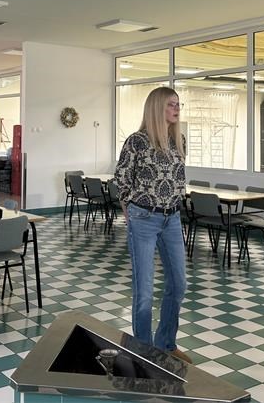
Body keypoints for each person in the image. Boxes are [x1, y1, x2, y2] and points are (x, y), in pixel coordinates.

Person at [114, 87, 191, 363]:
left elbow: (178, 179)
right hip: (144, 219)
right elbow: (121, 180)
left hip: (172, 218)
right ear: (157, 107)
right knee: (144, 290)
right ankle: (143, 352)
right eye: (171, 104)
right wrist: (130, 211)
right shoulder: (136, 141)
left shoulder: (178, 140)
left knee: (179, 283)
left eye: (178, 104)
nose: (177, 109)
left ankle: (166, 344)